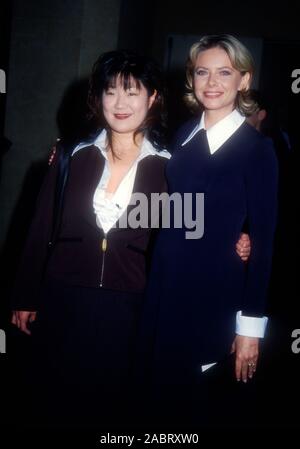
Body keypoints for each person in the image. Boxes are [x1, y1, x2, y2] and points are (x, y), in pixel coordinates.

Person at [11, 48, 250, 429]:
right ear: (98, 98)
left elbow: (195, 234)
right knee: (52, 407)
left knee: (117, 414)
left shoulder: (173, 167)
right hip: (63, 303)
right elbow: (40, 229)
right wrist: (25, 295)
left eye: (133, 91)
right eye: (110, 91)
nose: (120, 103)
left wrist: (237, 240)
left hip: (133, 312)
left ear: (153, 97)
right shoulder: (72, 157)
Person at [137, 35, 278, 427]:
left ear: (244, 80)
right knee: (154, 401)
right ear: (192, 78)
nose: (211, 82)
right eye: (203, 71)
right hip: (163, 285)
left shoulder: (257, 149)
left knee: (196, 402)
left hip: (213, 291)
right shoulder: (183, 134)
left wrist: (250, 328)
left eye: (224, 72)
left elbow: (265, 245)